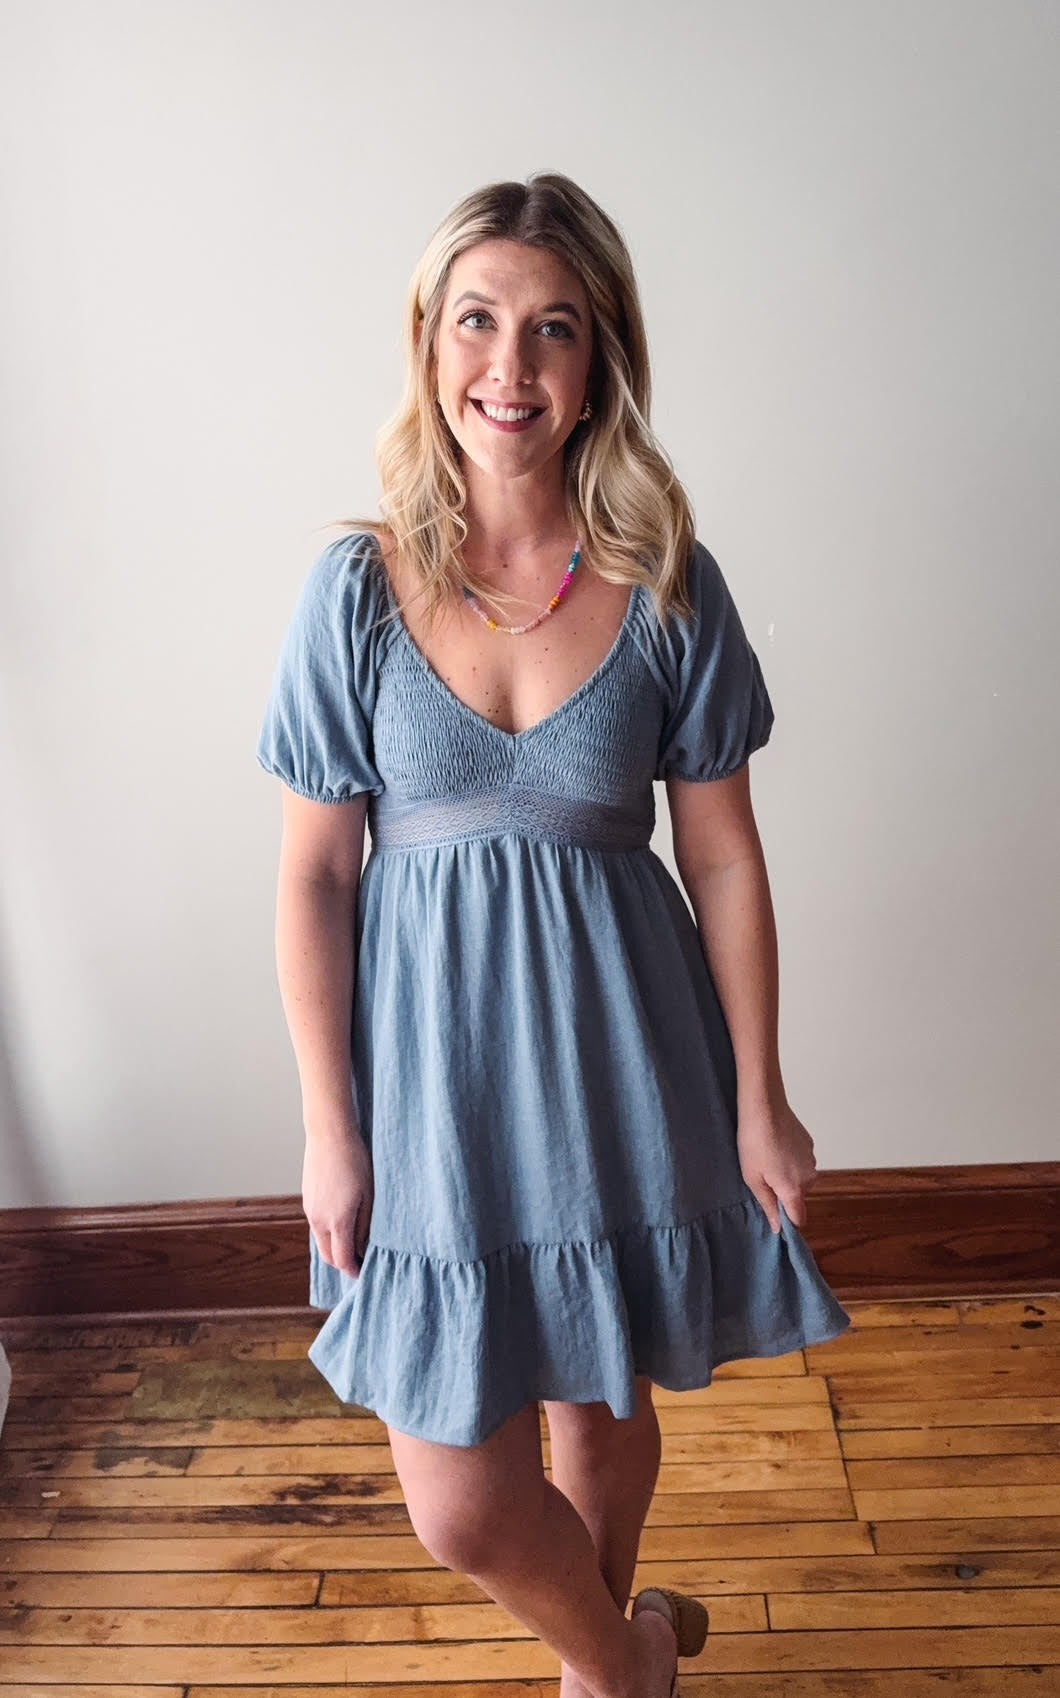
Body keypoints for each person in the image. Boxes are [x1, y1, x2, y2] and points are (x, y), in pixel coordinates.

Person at [257, 171, 852, 1698]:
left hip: (620, 1057)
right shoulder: (355, 591)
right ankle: (630, 1656)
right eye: (477, 320)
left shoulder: (666, 582)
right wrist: (329, 1127)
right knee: (460, 1497)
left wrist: (761, 1094)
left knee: (597, 1402)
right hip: (431, 1089)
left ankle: (598, 1678)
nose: (508, 366)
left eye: (553, 329)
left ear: (600, 363)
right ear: (428, 342)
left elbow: (722, 856)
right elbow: (317, 876)